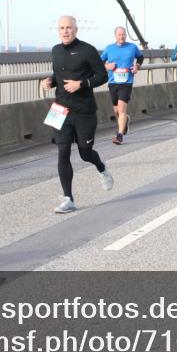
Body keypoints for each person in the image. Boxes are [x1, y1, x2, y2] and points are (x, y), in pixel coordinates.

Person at [40, 15, 114, 214]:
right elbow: (59, 75)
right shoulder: (55, 51)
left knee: (84, 152)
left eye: (69, 28)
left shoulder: (87, 50)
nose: (65, 31)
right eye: (62, 28)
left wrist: (80, 84)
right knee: (62, 152)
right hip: (60, 109)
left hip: (84, 111)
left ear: (76, 30)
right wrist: (50, 81)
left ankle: (101, 168)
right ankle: (68, 199)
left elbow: (102, 76)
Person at [100, 26, 145, 145]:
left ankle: (119, 136)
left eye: (123, 34)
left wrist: (137, 66)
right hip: (113, 82)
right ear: (115, 36)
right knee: (116, 111)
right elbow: (99, 62)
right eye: (119, 34)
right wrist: (107, 66)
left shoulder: (132, 47)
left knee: (121, 108)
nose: (122, 36)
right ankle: (125, 121)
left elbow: (140, 57)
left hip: (126, 82)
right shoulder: (109, 49)